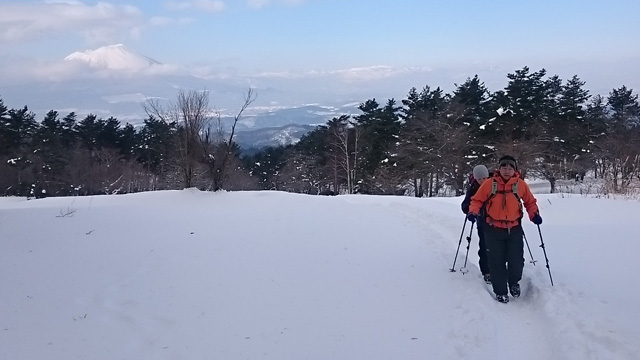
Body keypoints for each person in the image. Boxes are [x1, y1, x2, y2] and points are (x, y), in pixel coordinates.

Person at [466, 155, 542, 304]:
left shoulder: (520, 185)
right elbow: (477, 200)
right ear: (499, 168)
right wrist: (473, 212)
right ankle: (500, 291)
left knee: (516, 260)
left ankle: (513, 282)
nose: (507, 171)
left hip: (514, 228)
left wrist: (534, 215)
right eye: (504, 167)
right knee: (496, 262)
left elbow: (529, 201)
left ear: (514, 170)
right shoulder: (489, 184)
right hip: (492, 229)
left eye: (510, 168)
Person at [461, 164, 491, 284]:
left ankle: (499, 269)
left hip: (498, 221)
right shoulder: (473, 188)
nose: (482, 181)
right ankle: (487, 272)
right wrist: (471, 212)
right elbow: (465, 205)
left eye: (484, 178)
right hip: (482, 222)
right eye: (479, 179)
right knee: (484, 247)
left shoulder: (495, 185)